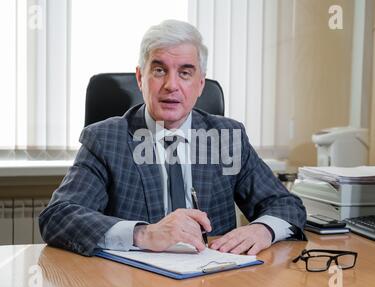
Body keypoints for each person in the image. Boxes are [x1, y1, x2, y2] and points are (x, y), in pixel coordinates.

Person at [39, 20, 306, 257]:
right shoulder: (105, 139)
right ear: (140, 77)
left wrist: (263, 230)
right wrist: (144, 234)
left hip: (213, 281)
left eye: (185, 73)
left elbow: (286, 205)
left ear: (201, 83)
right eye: (159, 70)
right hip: (132, 285)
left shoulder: (227, 137)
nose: (171, 85)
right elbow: (58, 217)